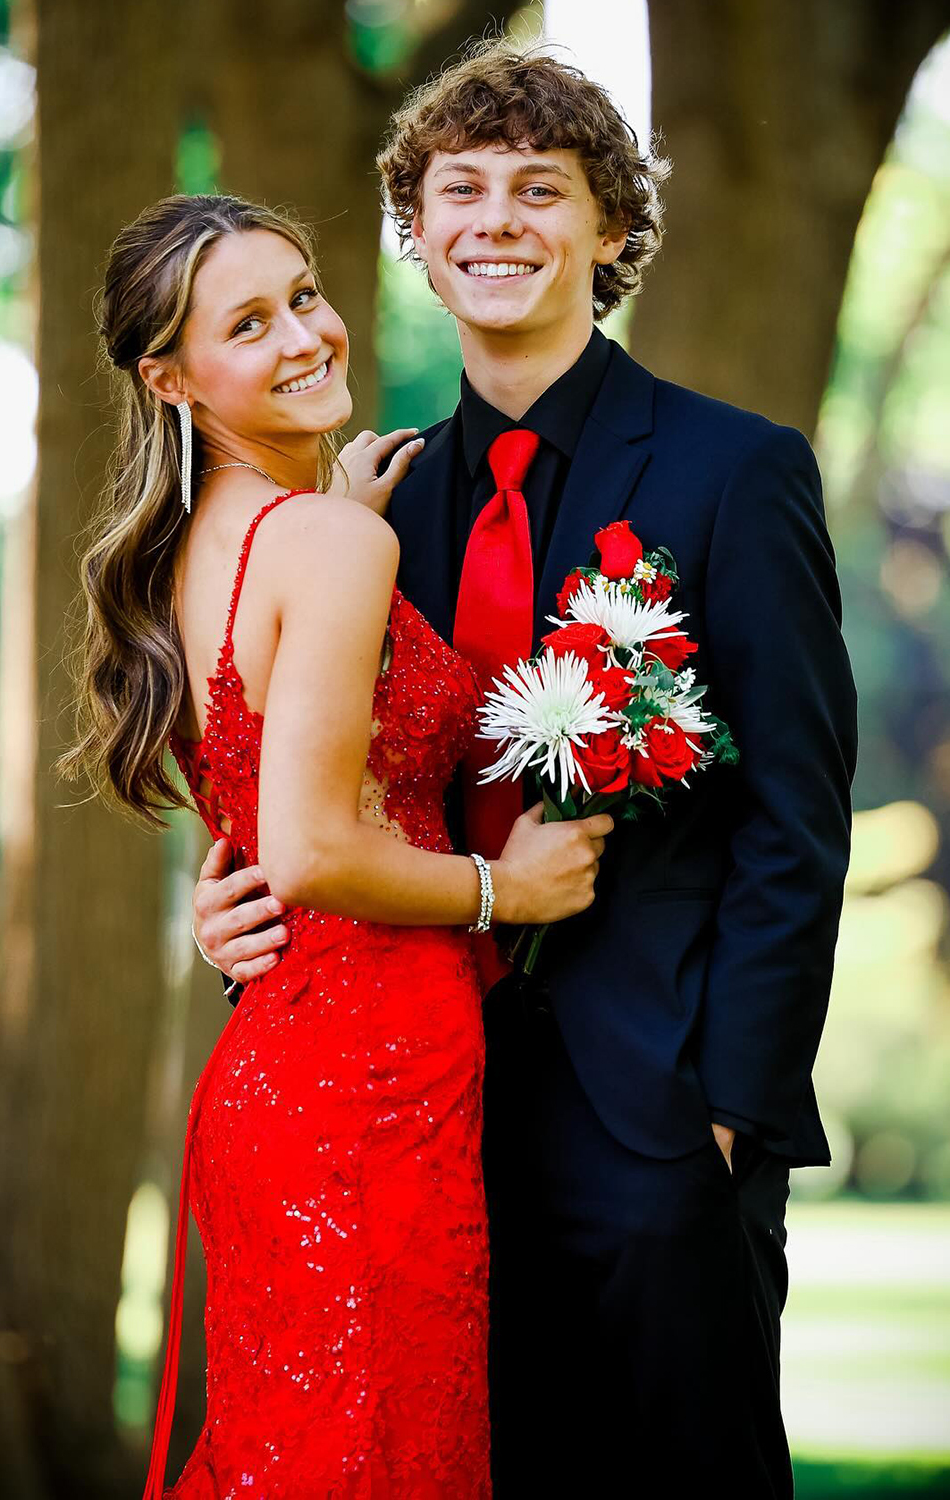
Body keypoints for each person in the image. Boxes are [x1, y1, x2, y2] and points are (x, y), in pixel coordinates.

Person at [195, 43, 859, 1498]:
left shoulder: (735, 471)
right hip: (419, 1118)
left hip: (659, 1114)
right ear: (419, 234)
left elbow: (796, 821)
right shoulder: (373, 501)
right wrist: (231, 909)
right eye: (462, 189)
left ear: (611, 228)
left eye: (540, 189)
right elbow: (318, 793)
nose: (497, 219)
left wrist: (727, 1114)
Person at [58, 192, 614, 1498]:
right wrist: (503, 884)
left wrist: (331, 502)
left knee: (311, 1451)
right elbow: (305, 851)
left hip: (297, 1071)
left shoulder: (216, 545)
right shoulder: (328, 543)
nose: (308, 335)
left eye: (304, 294)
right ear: (172, 377)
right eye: (249, 324)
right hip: (366, 1097)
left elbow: (273, 809)